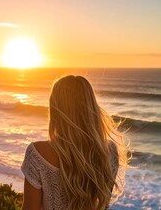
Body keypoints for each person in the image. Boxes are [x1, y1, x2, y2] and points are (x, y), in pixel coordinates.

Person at [21, 75, 127, 210]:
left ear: (55, 109)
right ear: (91, 107)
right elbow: (102, 205)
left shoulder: (37, 153)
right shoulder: (109, 152)